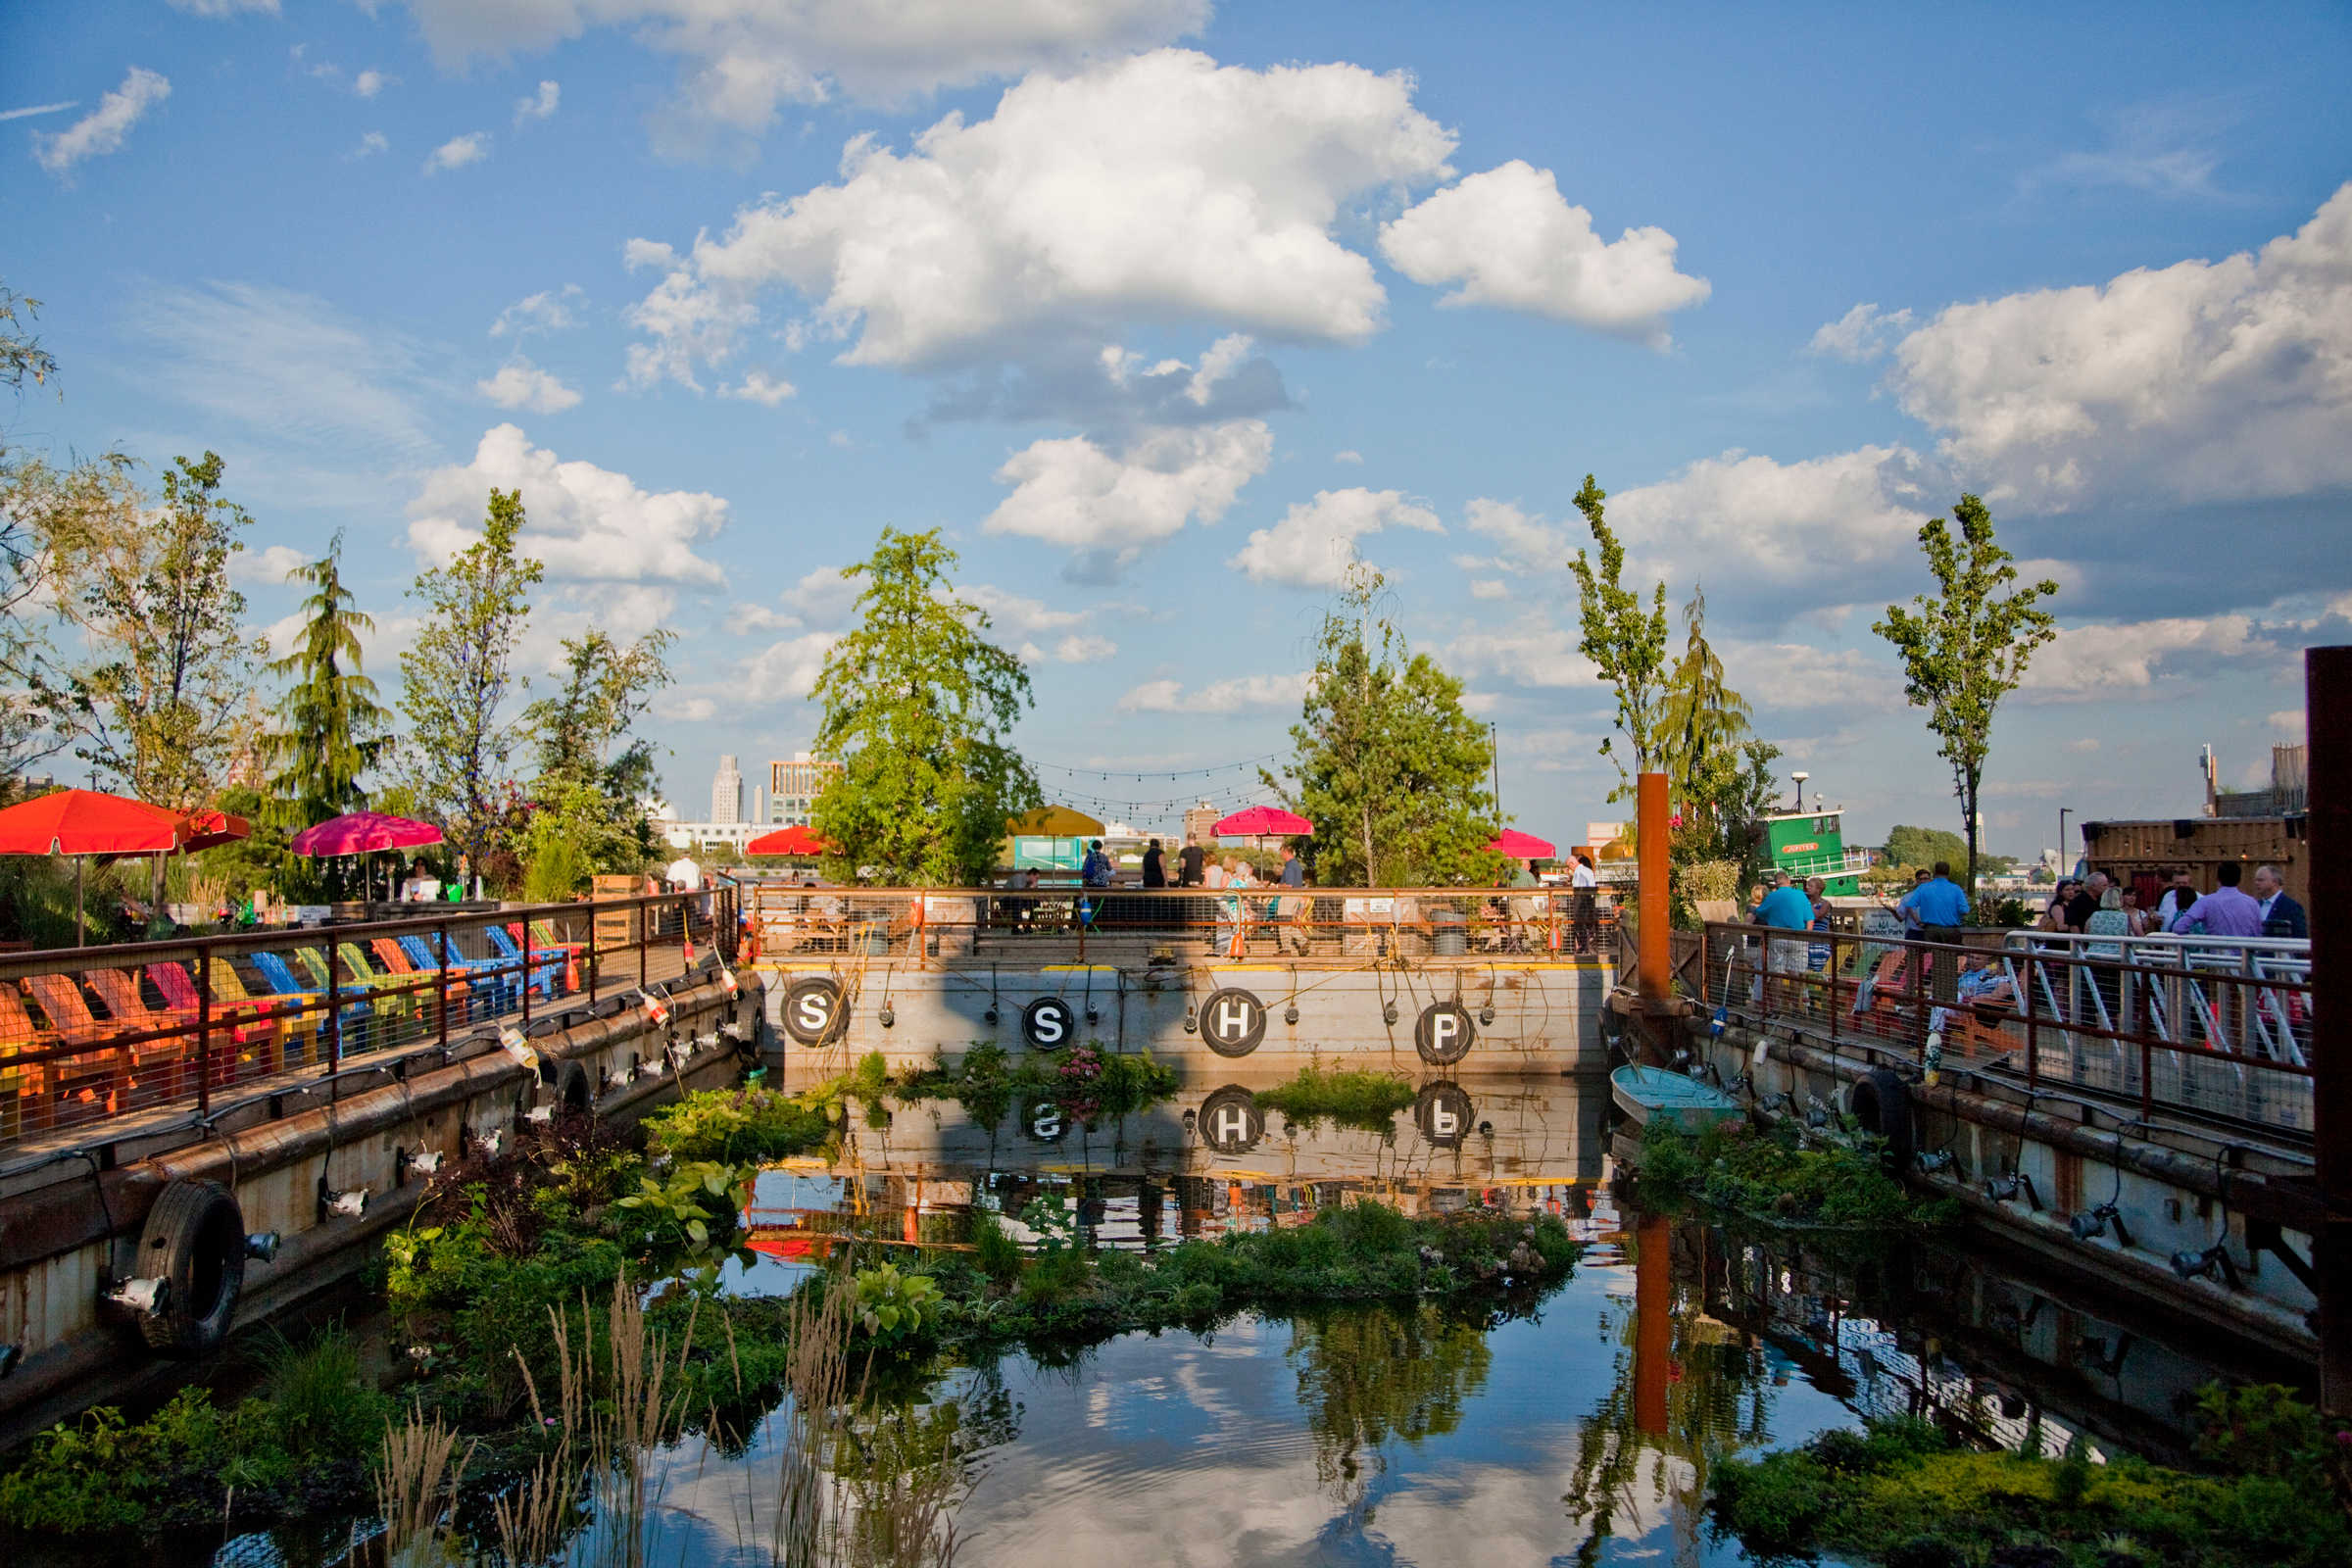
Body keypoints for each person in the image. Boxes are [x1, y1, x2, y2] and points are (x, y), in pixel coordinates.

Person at [1754, 872, 1816, 1010]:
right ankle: (1794, 1006)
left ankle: (1776, 1007)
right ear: (1789, 881)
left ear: (1776, 883)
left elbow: (1760, 912)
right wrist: (1808, 934)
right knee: (1795, 973)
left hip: (1778, 937)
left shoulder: (1772, 896)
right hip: (1798, 938)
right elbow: (1810, 918)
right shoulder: (1801, 895)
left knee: (1777, 973)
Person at [2174, 862, 2263, 937]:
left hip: (2216, 954)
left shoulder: (2206, 902)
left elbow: (2179, 927)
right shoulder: (2252, 903)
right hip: (2245, 955)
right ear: (2239, 879)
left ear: (2217, 878)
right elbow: (2259, 931)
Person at [2253, 864, 2307, 939]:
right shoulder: (2256, 905)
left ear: (2274, 881)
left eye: (2260, 880)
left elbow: (2299, 937)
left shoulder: (2291, 907)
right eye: (2255, 880)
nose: (2256, 883)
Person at [1277, 843, 1309, 954]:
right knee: (1287, 922)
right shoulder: (1296, 865)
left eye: (1281, 852)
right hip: (1295, 896)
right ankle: (1302, 941)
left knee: (1283, 920)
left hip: (1288, 896)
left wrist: (1277, 886)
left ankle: (1286, 948)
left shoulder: (1290, 866)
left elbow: (1289, 884)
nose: (1281, 855)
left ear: (1285, 852)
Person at [1571, 852, 1599, 953]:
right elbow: (1592, 885)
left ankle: (1583, 946)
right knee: (1586, 923)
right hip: (1589, 898)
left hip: (1580, 898)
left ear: (1571, 864)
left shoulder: (1578, 872)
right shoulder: (1589, 871)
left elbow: (1575, 887)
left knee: (1579, 922)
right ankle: (1586, 945)